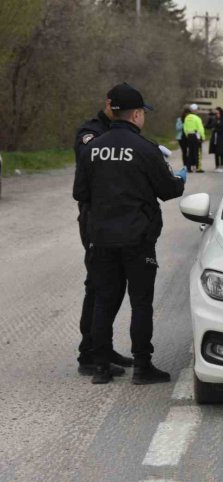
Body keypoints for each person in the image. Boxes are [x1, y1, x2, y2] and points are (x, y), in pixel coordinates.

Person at [73, 83, 187, 384]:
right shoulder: (145, 149)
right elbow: (168, 190)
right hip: (137, 239)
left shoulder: (92, 148)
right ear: (136, 114)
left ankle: (100, 367)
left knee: (104, 300)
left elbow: (79, 192)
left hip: (100, 238)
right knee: (140, 302)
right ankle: (142, 366)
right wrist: (179, 178)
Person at [73, 87, 131, 376]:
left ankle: (103, 347)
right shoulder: (91, 132)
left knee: (114, 286)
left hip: (116, 219)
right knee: (98, 285)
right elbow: (90, 162)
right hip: (95, 218)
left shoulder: (121, 131)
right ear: (108, 104)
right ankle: (89, 355)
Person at [183, 103, 205, 173]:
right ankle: (198, 168)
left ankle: (189, 168)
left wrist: (187, 135)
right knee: (197, 152)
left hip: (189, 136)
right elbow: (200, 129)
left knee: (190, 152)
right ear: (195, 110)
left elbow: (185, 128)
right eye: (197, 109)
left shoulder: (187, 118)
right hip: (196, 136)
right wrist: (203, 137)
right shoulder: (197, 118)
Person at [206, 107, 223, 172]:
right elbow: (207, 126)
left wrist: (215, 129)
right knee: (216, 152)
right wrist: (210, 118)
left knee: (222, 152)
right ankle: (217, 166)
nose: (217, 115)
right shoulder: (214, 119)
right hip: (215, 138)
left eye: (218, 113)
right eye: (216, 113)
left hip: (222, 138)